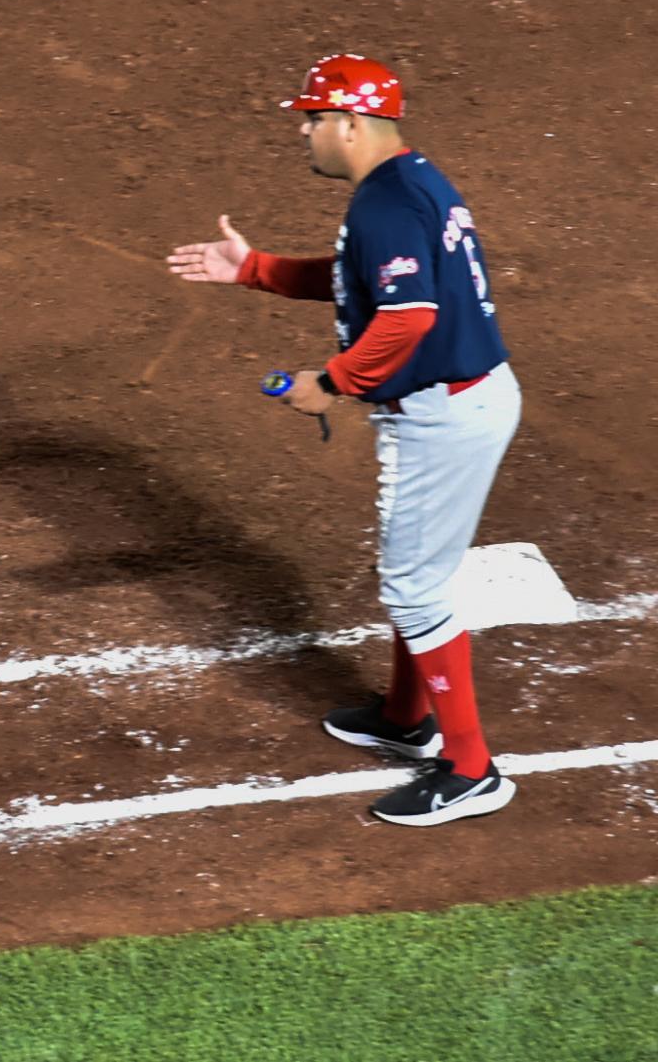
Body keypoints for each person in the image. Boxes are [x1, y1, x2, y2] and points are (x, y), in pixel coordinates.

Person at [167, 53, 522, 826]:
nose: (306, 131)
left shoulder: (385, 204)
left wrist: (327, 384)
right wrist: (256, 268)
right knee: (413, 569)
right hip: (458, 399)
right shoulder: (407, 182)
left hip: (446, 413)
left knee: (412, 584)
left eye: (314, 118)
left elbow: (407, 318)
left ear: (351, 124)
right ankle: (405, 716)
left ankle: (469, 767)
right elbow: (363, 277)